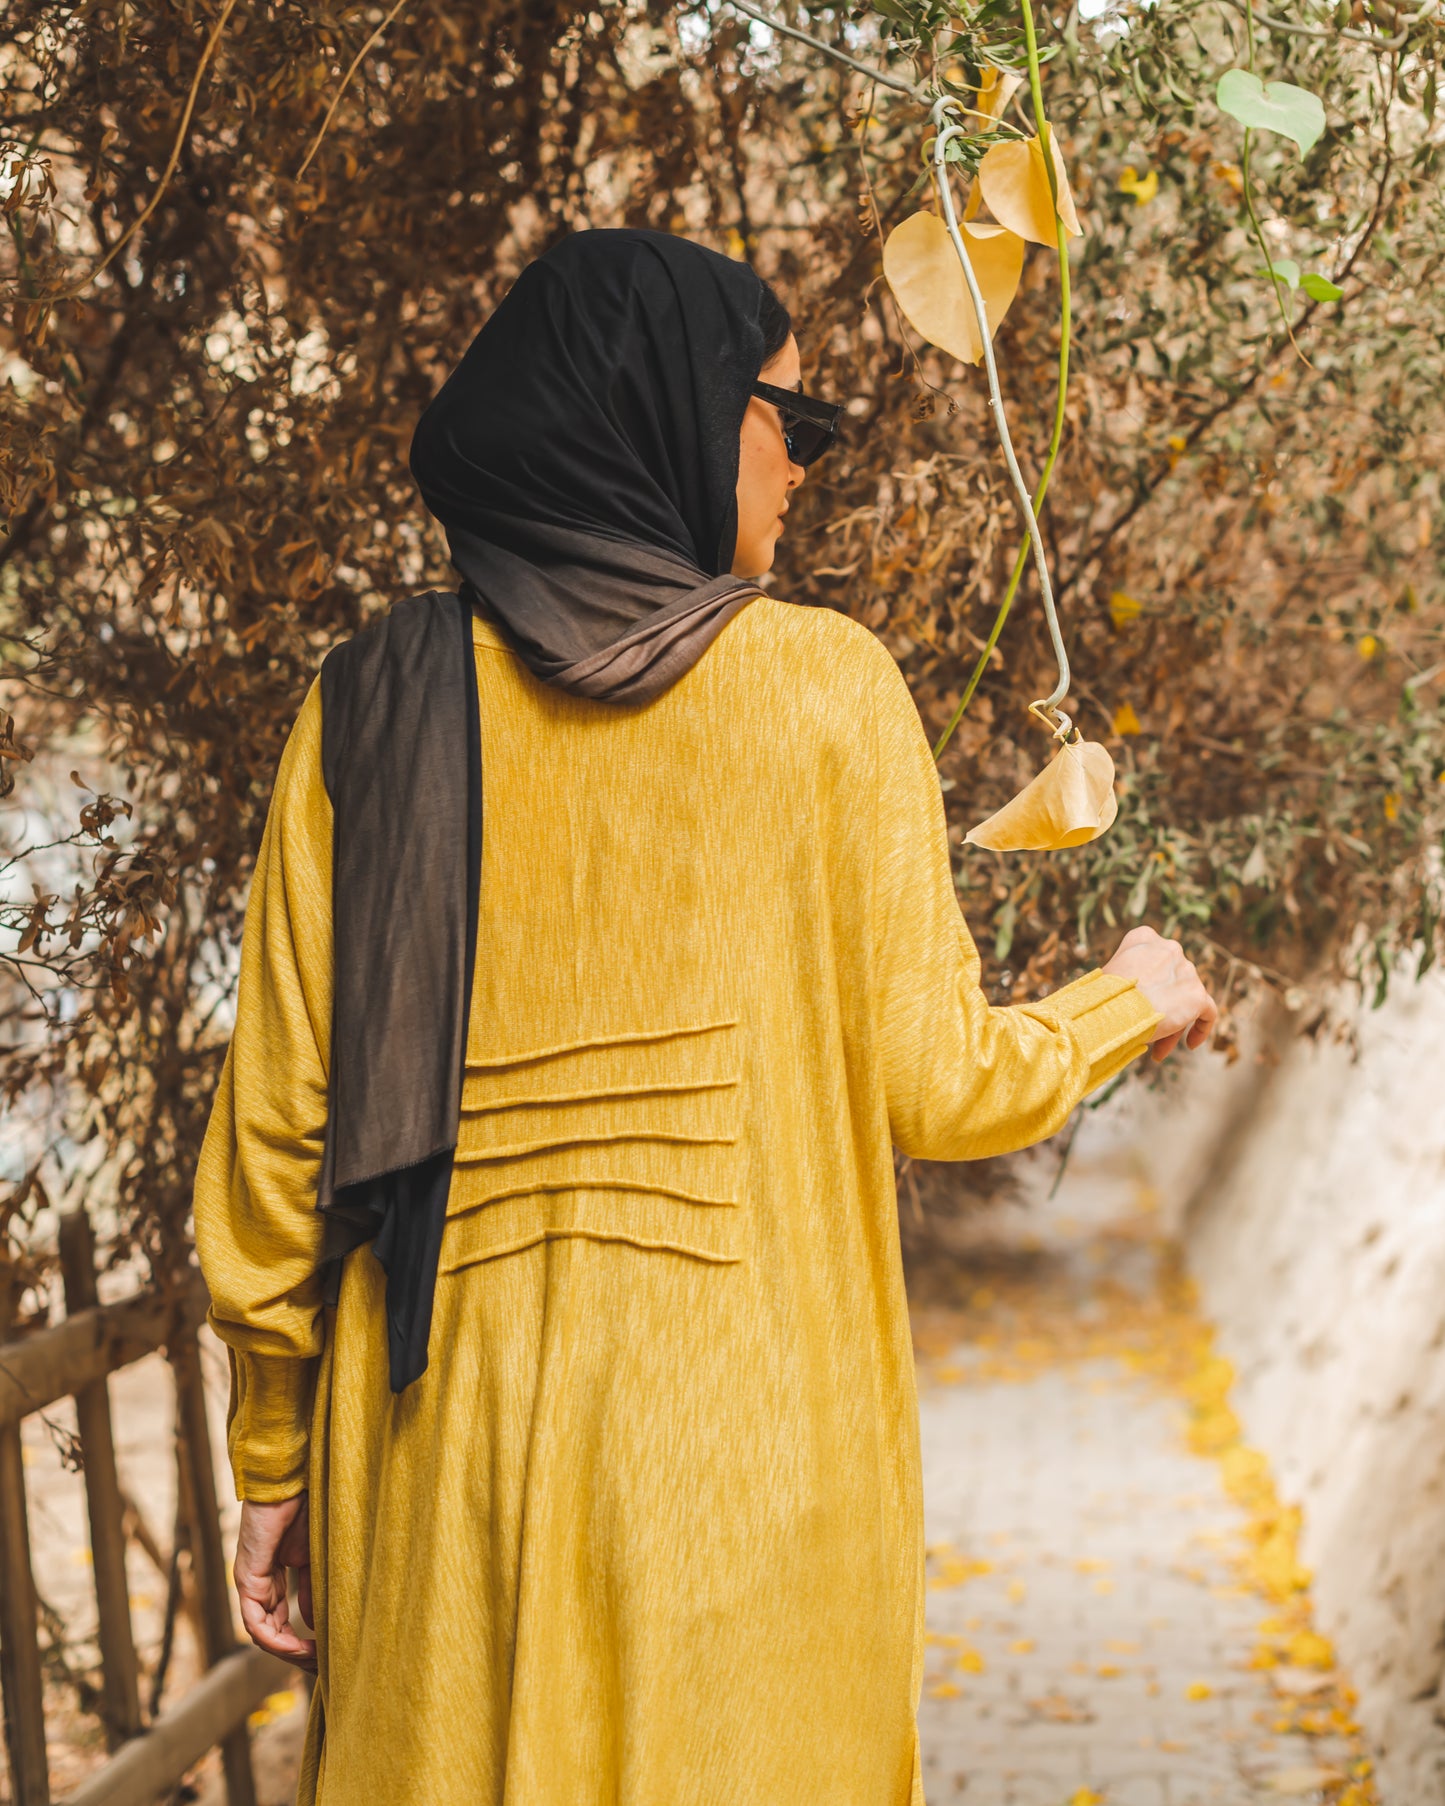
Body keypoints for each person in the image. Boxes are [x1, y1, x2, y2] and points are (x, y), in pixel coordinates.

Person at [193, 227, 1215, 1806]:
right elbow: (943, 1088)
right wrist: (1120, 1003)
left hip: (431, 1473)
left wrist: (274, 1463)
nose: (803, 467)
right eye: (787, 422)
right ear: (663, 410)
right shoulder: (822, 692)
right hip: (749, 1479)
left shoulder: (367, 707)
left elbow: (277, 1139)